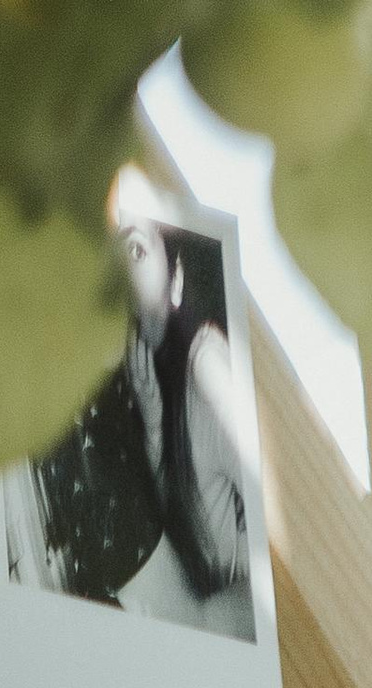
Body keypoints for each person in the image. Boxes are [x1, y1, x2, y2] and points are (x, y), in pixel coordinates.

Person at [111, 216, 256, 638]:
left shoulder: (207, 371)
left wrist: (200, 621)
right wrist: (154, 423)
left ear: (176, 281)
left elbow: (286, 555)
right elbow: (185, 507)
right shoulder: (151, 384)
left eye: (136, 250)